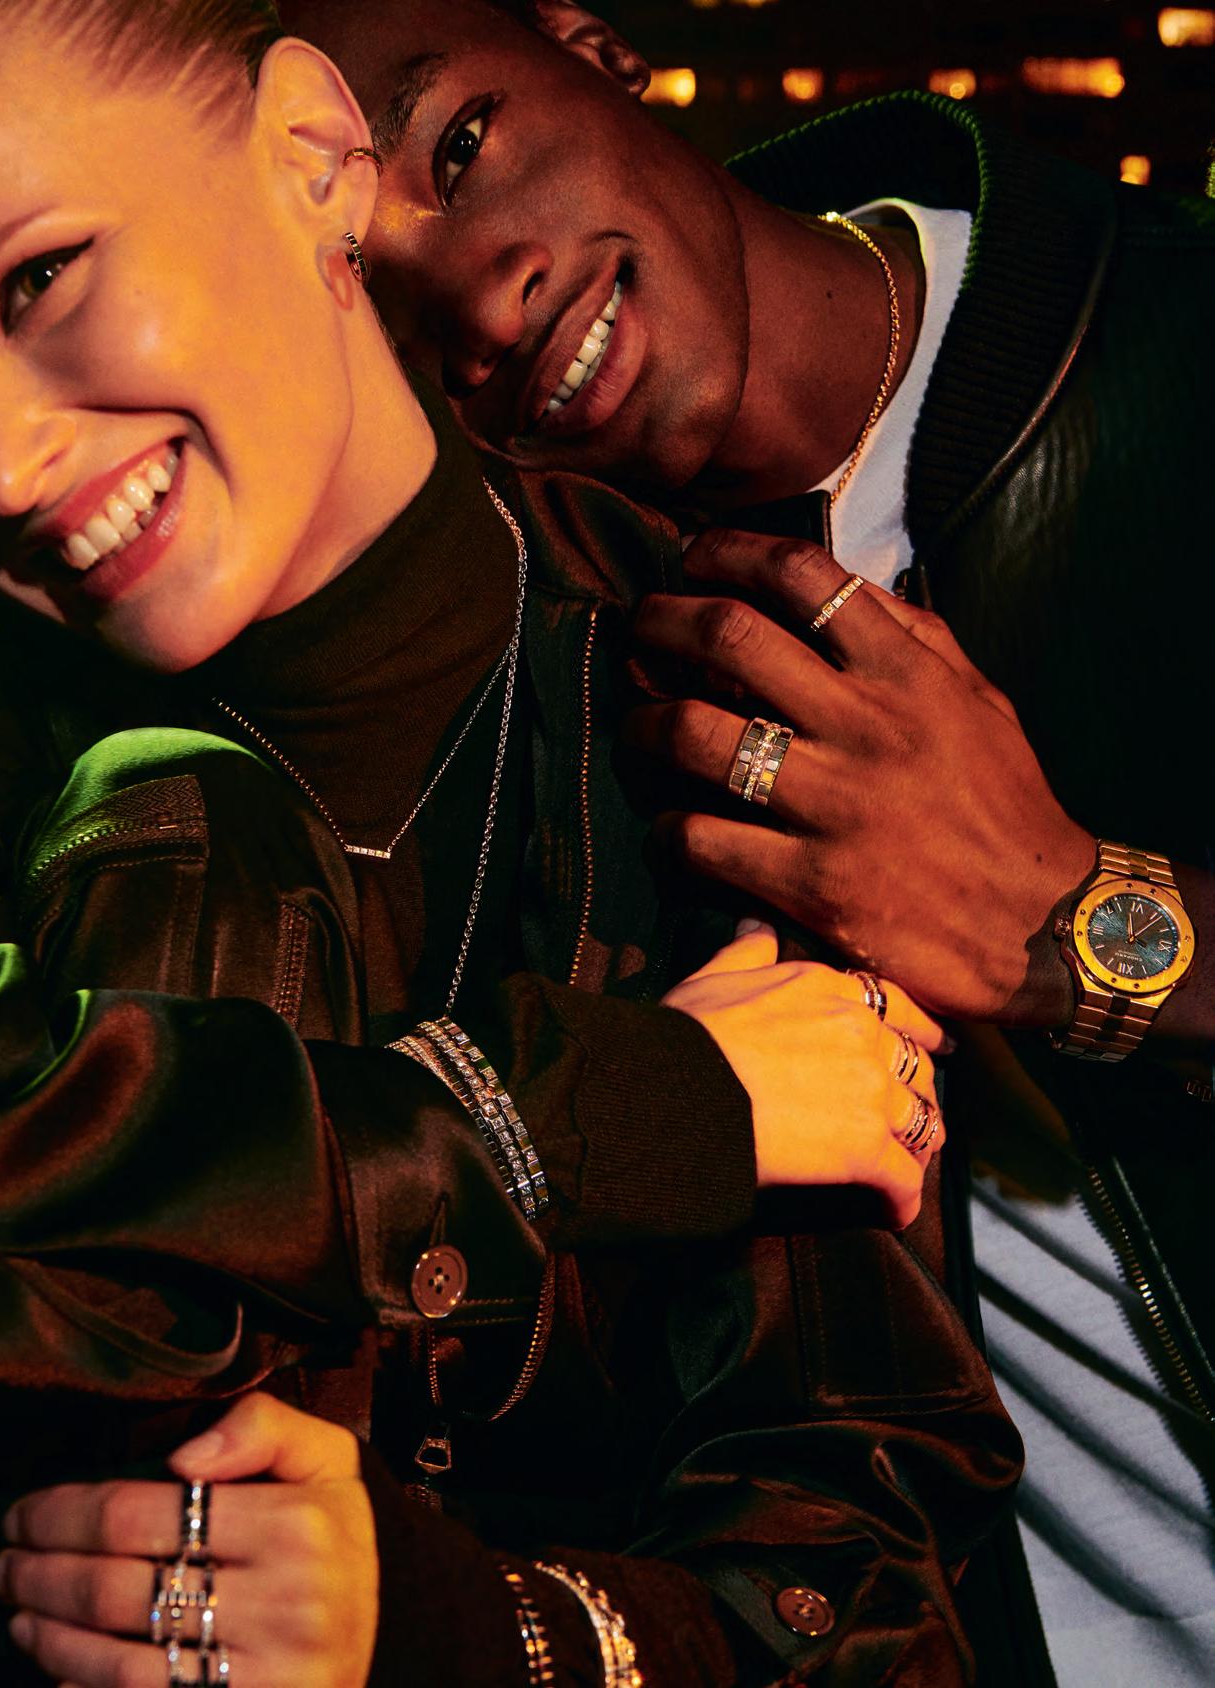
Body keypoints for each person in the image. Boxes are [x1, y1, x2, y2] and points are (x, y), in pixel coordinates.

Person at [0, 2, 1019, 1683]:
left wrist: (451, 1630)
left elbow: (860, 1605)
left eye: (39, 280)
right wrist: (570, 1117)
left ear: (310, 154)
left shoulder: (710, 719)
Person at [279, 0, 1215, 1681]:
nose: (478, 298)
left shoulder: (1173, 349)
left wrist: (1083, 925)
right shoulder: (540, 669)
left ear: (593, 52)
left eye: (462, 146)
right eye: (366, 292)